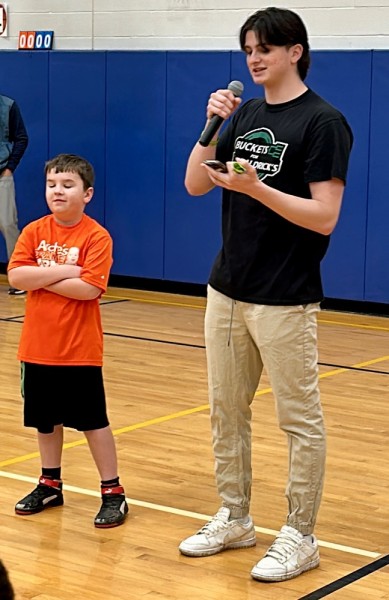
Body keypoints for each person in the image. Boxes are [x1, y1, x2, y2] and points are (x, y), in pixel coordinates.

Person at [178, 7, 353, 583]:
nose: (255, 58)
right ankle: (235, 516)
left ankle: (300, 534)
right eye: (249, 48)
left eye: (267, 48)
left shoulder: (324, 122)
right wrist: (209, 127)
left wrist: (259, 189)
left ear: (295, 51)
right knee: (226, 409)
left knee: (298, 419)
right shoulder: (246, 111)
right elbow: (196, 183)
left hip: (285, 296)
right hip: (227, 288)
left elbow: (324, 217)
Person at [7, 153, 128, 528]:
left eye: (67, 185)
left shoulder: (96, 236)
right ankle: (50, 483)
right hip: (36, 349)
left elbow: (89, 288)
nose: (57, 191)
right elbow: (15, 278)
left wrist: (41, 275)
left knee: (93, 422)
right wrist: (64, 271)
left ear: (87, 193)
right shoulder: (33, 231)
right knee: (46, 423)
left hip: (79, 351)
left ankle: (113, 492)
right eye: (51, 185)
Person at [0, 93, 29, 294]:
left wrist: (10, 167)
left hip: (2, 174)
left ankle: (18, 279)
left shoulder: (8, 106)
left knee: (8, 223)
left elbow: (21, 138)